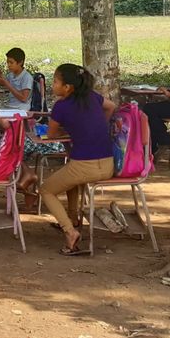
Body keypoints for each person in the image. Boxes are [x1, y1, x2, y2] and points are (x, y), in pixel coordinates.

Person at [38, 64, 117, 256]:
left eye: (55, 81)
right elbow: (111, 106)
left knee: (46, 189)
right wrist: (99, 126)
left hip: (84, 166)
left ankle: (69, 231)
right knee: (70, 177)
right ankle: (72, 218)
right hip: (108, 164)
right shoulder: (92, 96)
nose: (52, 85)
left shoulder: (61, 106)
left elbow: (51, 133)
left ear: (67, 88)